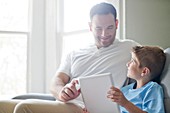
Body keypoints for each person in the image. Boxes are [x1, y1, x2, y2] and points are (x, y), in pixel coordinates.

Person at [0, 2, 138, 113]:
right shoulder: (75, 52)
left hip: (86, 109)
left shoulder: (129, 48)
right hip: (65, 104)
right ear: (90, 27)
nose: (104, 34)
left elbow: (156, 57)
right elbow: (56, 81)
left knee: (23, 108)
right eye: (98, 28)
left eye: (109, 27)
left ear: (117, 24)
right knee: (1, 105)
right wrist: (62, 92)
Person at [107, 46, 165, 113]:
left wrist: (125, 103)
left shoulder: (152, 88)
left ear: (144, 71)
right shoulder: (124, 90)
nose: (127, 64)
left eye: (133, 61)